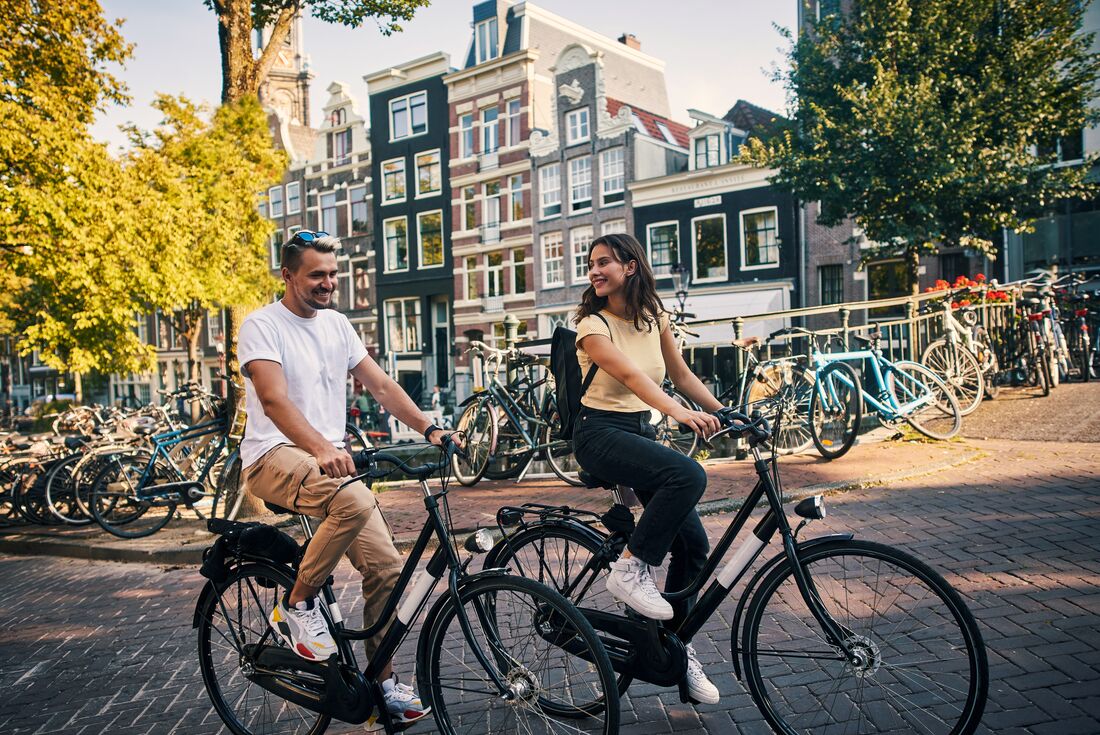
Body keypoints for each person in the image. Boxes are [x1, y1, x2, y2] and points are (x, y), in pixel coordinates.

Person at [239, 230, 457, 730]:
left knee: (387, 570)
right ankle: (295, 604)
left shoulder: (338, 325)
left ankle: (382, 685)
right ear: (287, 275)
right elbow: (273, 401)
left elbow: (379, 384)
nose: (328, 283)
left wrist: (431, 427)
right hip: (274, 455)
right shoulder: (262, 325)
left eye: (333, 274)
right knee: (355, 500)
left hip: (325, 460)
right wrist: (321, 448)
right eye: (317, 274)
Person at [571, 233, 724, 706]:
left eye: (604, 263)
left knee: (694, 545)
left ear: (631, 267)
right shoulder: (591, 325)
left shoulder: (655, 317)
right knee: (689, 476)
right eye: (591, 264)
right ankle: (630, 569)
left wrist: (727, 413)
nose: (595, 271)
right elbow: (633, 378)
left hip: (638, 432)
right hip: (598, 434)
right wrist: (678, 414)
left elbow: (679, 374)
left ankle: (675, 651)